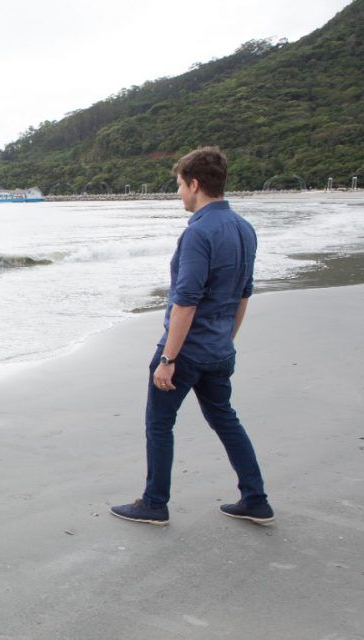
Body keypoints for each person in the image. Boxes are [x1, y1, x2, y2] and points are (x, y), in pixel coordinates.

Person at [111, 147, 273, 527]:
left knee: (159, 423)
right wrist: (226, 340)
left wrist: (168, 359)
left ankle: (154, 503)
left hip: (185, 351)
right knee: (226, 420)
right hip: (219, 349)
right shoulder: (244, 228)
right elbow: (243, 294)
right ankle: (256, 499)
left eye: (180, 185)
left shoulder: (199, 233)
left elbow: (186, 302)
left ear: (195, 184)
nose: (179, 193)